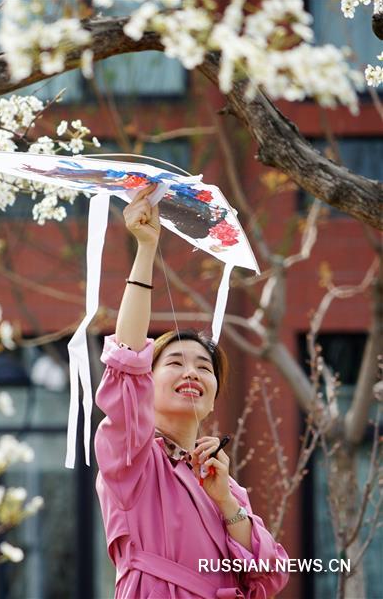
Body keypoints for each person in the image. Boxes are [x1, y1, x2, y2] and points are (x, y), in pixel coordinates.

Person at [93, 183, 290, 598]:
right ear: (147, 381)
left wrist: (225, 501)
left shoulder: (224, 482)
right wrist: (146, 250)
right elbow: (126, 358)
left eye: (204, 367)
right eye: (175, 363)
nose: (192, 373)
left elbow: (270, 578)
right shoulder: (132, 459)